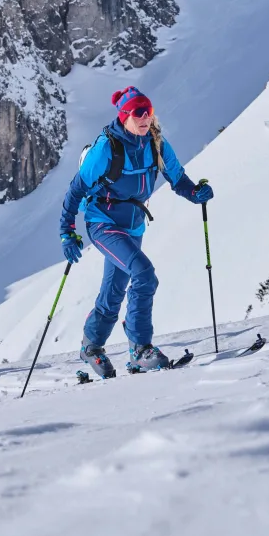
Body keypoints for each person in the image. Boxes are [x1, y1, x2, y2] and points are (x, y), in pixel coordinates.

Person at [59, 87, 212, 377]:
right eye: (137, 113)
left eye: (148, 112)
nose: (145, 118)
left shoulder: (156, 143)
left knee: (114, 290)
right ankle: (141, 349)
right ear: (125, 117)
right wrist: (67, 232)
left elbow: (177, 178)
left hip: (134, 224)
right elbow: (76, 189)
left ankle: (91, 346)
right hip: (103, 222)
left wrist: (196, 192)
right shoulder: (107, 147)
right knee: (143, 273)